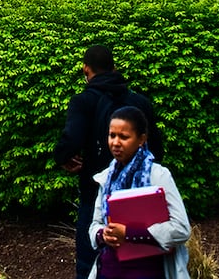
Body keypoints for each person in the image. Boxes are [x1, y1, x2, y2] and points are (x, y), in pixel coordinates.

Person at [54, 45, 164, 279]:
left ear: (86, 69)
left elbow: (71, 138)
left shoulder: (84, 101)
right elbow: (157, 146)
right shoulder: (139, 102)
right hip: (138, 190)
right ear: (114, 68)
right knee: (139, 256)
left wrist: (64, 158)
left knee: (90, 256)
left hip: (95, 185)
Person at [88, 106, 190, 279]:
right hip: (109, 268)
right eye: (112, 135)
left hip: (147, 270)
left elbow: (181, 228)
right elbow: (95, 224)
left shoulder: (158, 175)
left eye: (124, 137)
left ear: (141, 139)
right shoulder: (106, 178)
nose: (115, 143)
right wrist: (103, 234)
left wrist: (128, 233)